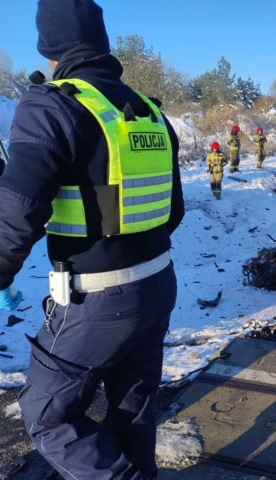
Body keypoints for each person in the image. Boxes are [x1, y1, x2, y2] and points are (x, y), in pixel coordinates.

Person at [0, 1, 184, 478]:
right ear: (102, 43)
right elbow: (172, 211)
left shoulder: (50, 105)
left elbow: (16, 213)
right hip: (159, 282)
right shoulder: (147, 112)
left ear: (48, 48)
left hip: (97, 300)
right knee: (133, 408)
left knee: (44, 414)